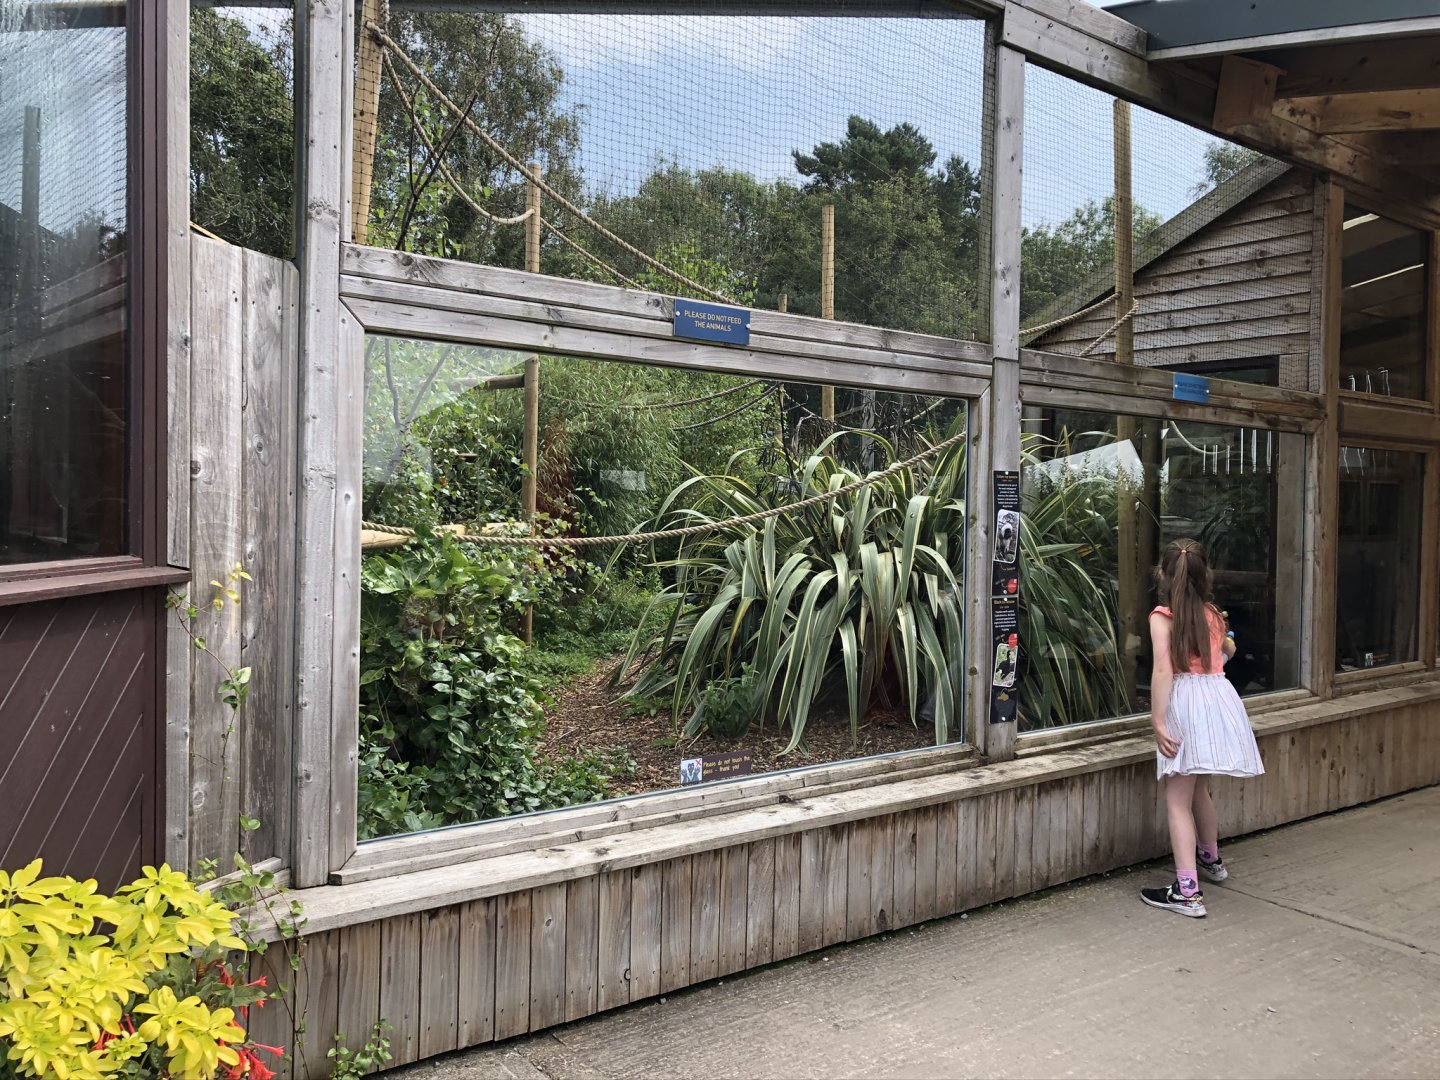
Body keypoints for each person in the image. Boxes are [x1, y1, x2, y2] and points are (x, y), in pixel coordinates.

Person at [1141, 538, 1264, 918]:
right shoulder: (1213, 614)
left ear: (1162, 575)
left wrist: (1158, 720)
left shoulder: (1163, 617)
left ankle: (1187, 892)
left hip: (1186, 702)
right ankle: (1211, 860)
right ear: (1204, 575)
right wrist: (1227, 644)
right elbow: (1227, 651)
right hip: (1217, 701)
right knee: (1200, 791)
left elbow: (1164, 670)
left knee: (1177, 801)